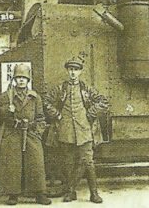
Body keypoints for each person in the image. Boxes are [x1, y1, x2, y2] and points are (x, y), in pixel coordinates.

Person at [44, 57, 109, 203]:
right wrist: (57, 114)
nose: (73, 72)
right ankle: (70, 192)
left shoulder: (86, 89)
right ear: (67, 71)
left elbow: (103, 101)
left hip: (84, 130)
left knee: (88, 162)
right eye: (71, 69)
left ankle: (94, 194)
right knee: (68, 162)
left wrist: (90, 114)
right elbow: (46, 101)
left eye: (76, 70)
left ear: (80, 71)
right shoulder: (61, 89)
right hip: (65, 131)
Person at [0, 64, 51, 206]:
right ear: (14, 80)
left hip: (31, 133)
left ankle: (40, 194)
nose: (21, 80)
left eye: (24, 78)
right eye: (19, 78)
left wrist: (38, 132)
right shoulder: (6, 96)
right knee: (13, 164)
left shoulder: (35, 97)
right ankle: (13, 194)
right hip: (13, 133)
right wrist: (6, 109)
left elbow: (41, 118)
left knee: (36, 162)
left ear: (28, 80)